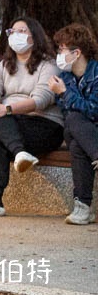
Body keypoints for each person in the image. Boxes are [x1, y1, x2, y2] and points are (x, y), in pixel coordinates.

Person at [0, 17, 63, 217]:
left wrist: (6, 109)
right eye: (12, 31)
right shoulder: (3, 67)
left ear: (34, 37)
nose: (15, 35)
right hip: (12, 127)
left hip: (45, 125)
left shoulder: (49, 66)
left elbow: (41, 100)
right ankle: (19, 154)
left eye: (21, 31)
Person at [46, 24, 98, 225]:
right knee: (74, 119)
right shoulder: (64, 78)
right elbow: (69, 111)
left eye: (62, 49)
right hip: (78, 129)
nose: (59, 53)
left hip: (87, 133)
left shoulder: (96, 74)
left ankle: (83, 206)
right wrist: (64, 93)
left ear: (76, 53)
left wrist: (65, 93)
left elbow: (94, 109)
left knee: (77, 144)